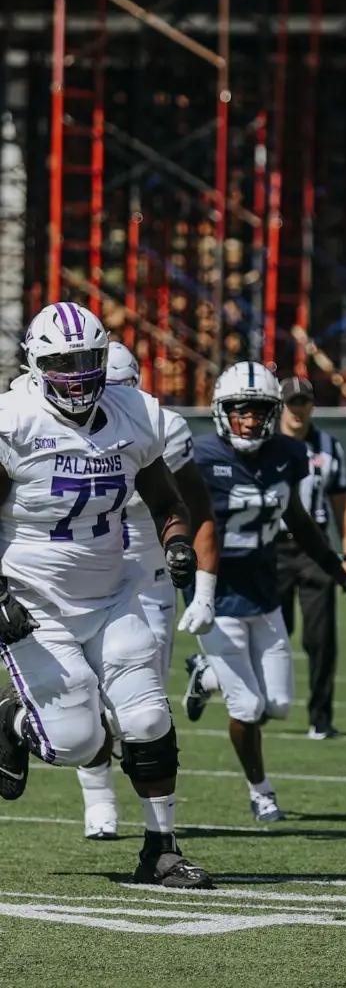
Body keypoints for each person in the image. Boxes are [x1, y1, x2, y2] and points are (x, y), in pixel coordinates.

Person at [0, 303, 209, 886]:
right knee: (74, 742)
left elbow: (167, 501)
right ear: (37, 366)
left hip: (116, 592)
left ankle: (162, 849)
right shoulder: (13, 422)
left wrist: (176, 542)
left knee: (145, 718)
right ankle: (13, 721)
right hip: (35, 602)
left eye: (87, 361)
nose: (77, 374)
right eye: (62, 363)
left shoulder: (134, 413)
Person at [178, 361, 346, 822]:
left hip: (264, 592)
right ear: (220, 412)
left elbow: (300, 524)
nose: (249, 419)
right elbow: (177, 520)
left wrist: (342, 575)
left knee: (280, 705)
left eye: (258, 410)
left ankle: (205, 676)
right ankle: (260, 789)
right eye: (239, 410)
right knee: (246, 706)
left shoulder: (287, 453)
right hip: (218, 594)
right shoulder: (199, 457)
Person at [70, 342, 217, 840]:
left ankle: (157, 826)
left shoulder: (159, 425)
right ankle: (98, 795)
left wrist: (202, 586)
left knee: (143, 700)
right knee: (83, 692)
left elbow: (189, 505)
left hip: (149, 575)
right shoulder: (52, 428)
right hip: (84, 572)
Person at [275, 375, 346, 739]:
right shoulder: (265, 442)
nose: (297, 409)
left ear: (311, 406)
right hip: (271, 546)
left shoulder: (328, 446)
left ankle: (320, 718)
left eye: (303, 402)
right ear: (280, 405)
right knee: (271, 632)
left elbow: (343, 504)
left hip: (315, 548)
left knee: (321, 638)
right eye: (291, 402)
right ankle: (258, 705)